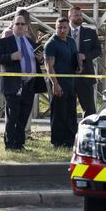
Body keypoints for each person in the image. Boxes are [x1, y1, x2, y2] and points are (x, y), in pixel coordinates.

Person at [0, 15, 47, 151]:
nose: (20, 26)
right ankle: (10, 144)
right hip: (13, 84)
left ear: (27, 26)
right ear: (13, 25)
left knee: (24, 115)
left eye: (23, 24)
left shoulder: (30, 42)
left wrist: (40, 59)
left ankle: (19, 144)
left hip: (29, 84)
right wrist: (11, 56)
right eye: (17, 24)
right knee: (13, 115)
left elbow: (37, 60)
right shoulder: (6, 41)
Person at [44, 17, 79, 148]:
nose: (62, 30)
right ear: (56, 27)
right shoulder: (51, 43)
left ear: (68, 28)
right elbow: (49, 66)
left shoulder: (71, 41)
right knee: (58, 113)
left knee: (70, 112)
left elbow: (75, 58)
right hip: (58, 83)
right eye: (60, 28)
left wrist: (79, 65)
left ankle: (70, 141)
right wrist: (55, 84)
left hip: (71, 82)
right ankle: (57, 142)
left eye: (65, 27)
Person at [69, 7, 101, 118]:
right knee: (67, 108)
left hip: (85, 76)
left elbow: (98, 50)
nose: (79, 17)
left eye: (80, 15)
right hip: (67, 75)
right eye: (76, 15)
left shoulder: (90, 33)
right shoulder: (62, 31)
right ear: (70, 17)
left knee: (89, 109)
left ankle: (88, 131)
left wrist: (85, 56)